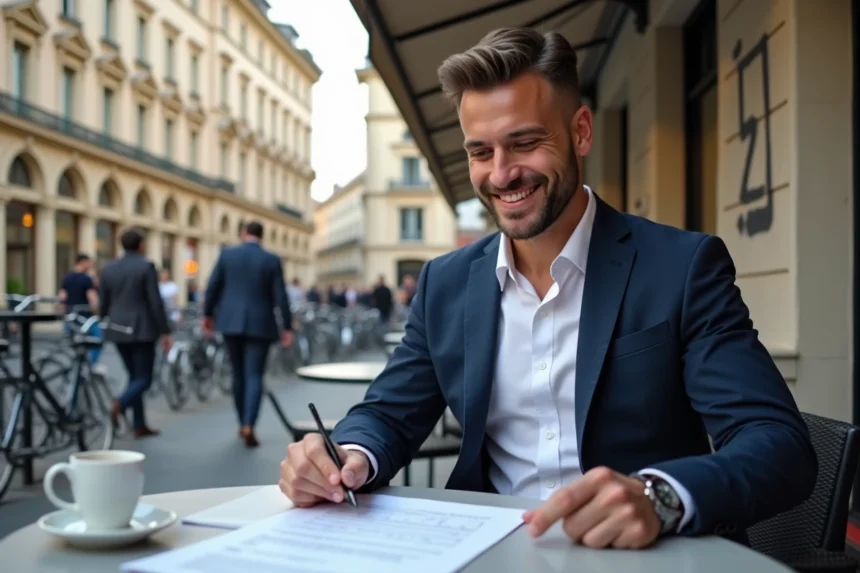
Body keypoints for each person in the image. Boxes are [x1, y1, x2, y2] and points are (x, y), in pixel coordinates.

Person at [279, 27, 817, 550]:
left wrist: (660, 497)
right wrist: (346, 454)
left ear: (581, 131)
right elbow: (389, 414)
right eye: (480, 152)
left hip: (644, 557)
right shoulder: (445, 283)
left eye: (525, 143)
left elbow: (778, 445)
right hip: (488, 554)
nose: (501, 174)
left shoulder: (681, 267)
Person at [203, 220, 293, 448]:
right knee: (254, 375)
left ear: (243, 233)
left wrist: (207, 315)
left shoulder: (227, 255)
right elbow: (280, 295)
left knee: (237, 374)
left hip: (230, 321)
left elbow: (213, 286)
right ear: (261, 235)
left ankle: (241, 420)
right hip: (260, 323)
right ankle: (249, 424)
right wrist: (287, 327)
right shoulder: (271, 259)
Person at [101, 229, 172, 438]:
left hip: (117, 328)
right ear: (140, 245)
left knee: (134, 375)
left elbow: (104, 301)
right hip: (142, 329)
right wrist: (165, 330)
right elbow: (154, 301)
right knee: (143, 379)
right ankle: (120, 403)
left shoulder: (109, 268)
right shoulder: (146, 266)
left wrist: (106, 319)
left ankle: (139, 424)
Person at [59, 254, 102, 364]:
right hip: (85, 316)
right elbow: (92, 298)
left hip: (71, 315)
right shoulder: (86, 278)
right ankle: (89, 365)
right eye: (89, 262)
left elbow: (62, 297)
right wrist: (97, 313)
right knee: (98, 339)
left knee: (72, 343)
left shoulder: (67, 277)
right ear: (82, 262)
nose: (90, 265)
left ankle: (75, 367)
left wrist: (64, 313)